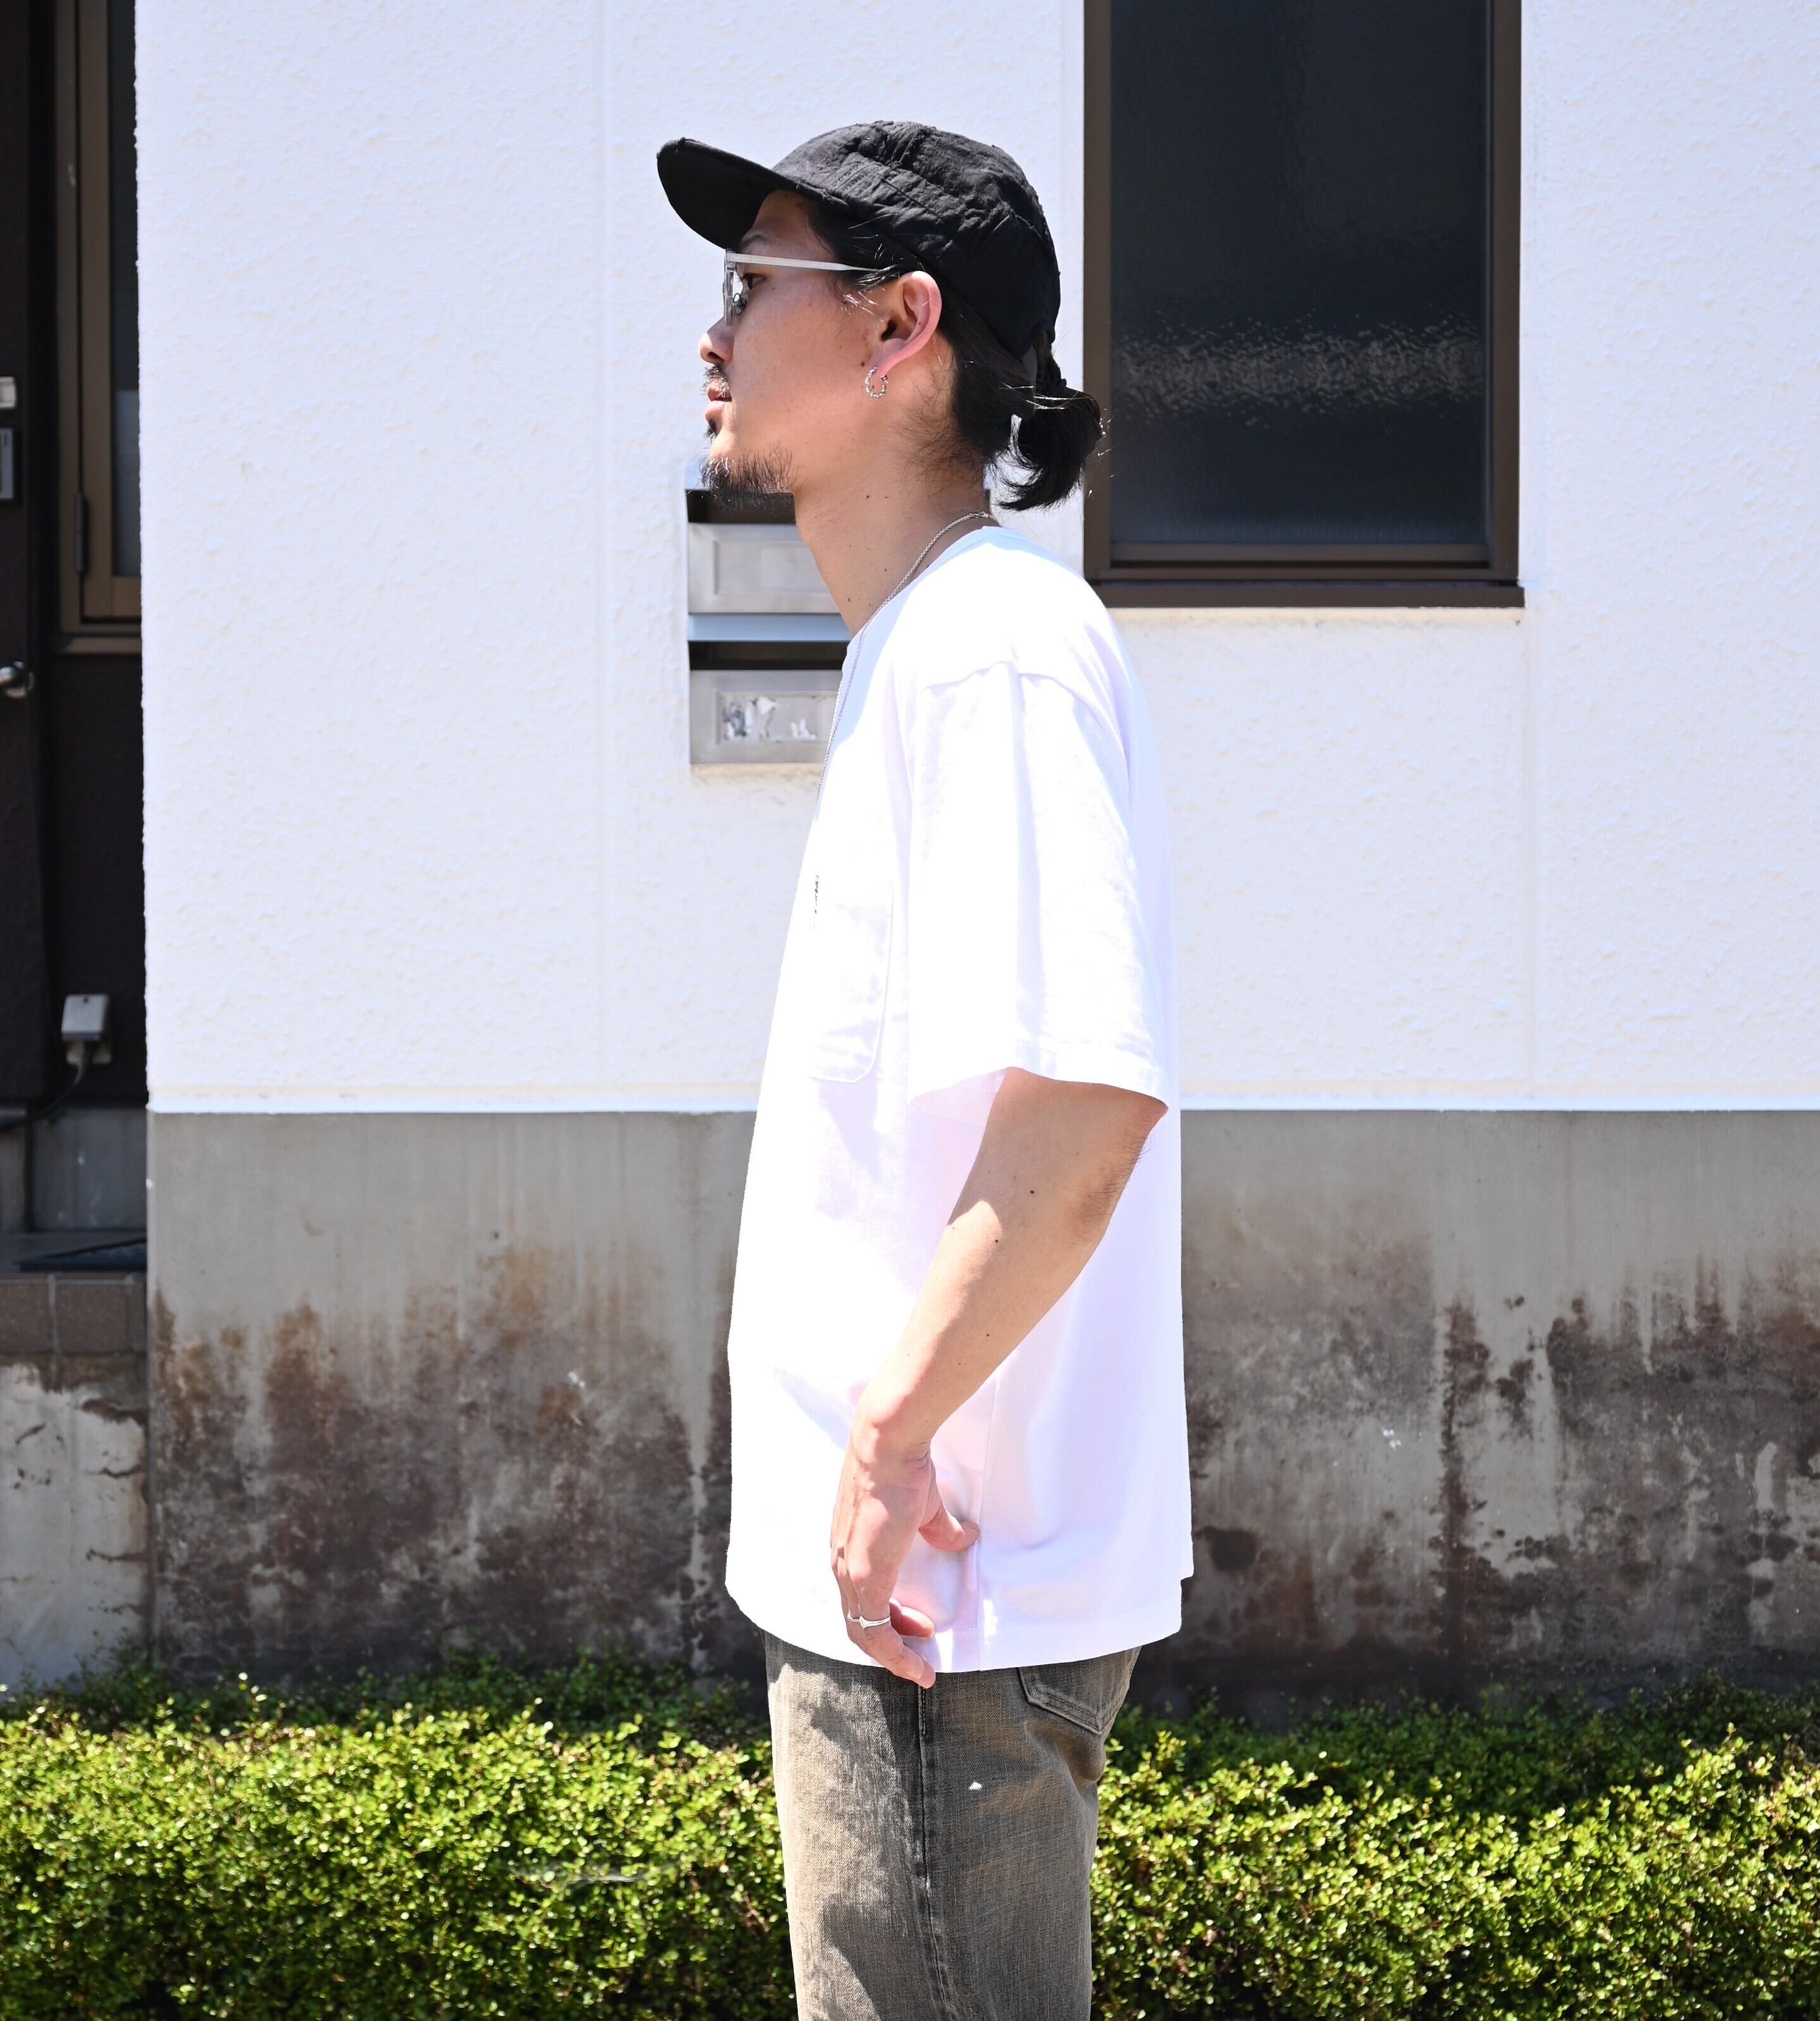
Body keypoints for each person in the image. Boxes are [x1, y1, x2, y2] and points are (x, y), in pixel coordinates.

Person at [657, 121, 1191, 2021]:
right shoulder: (936, 645)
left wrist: (885, 1446)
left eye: (755, 282)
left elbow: (1084, 1108)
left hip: (936, 1602)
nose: (715, 329)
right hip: (928, 1595)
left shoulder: (988, 650)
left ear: (899, 327)